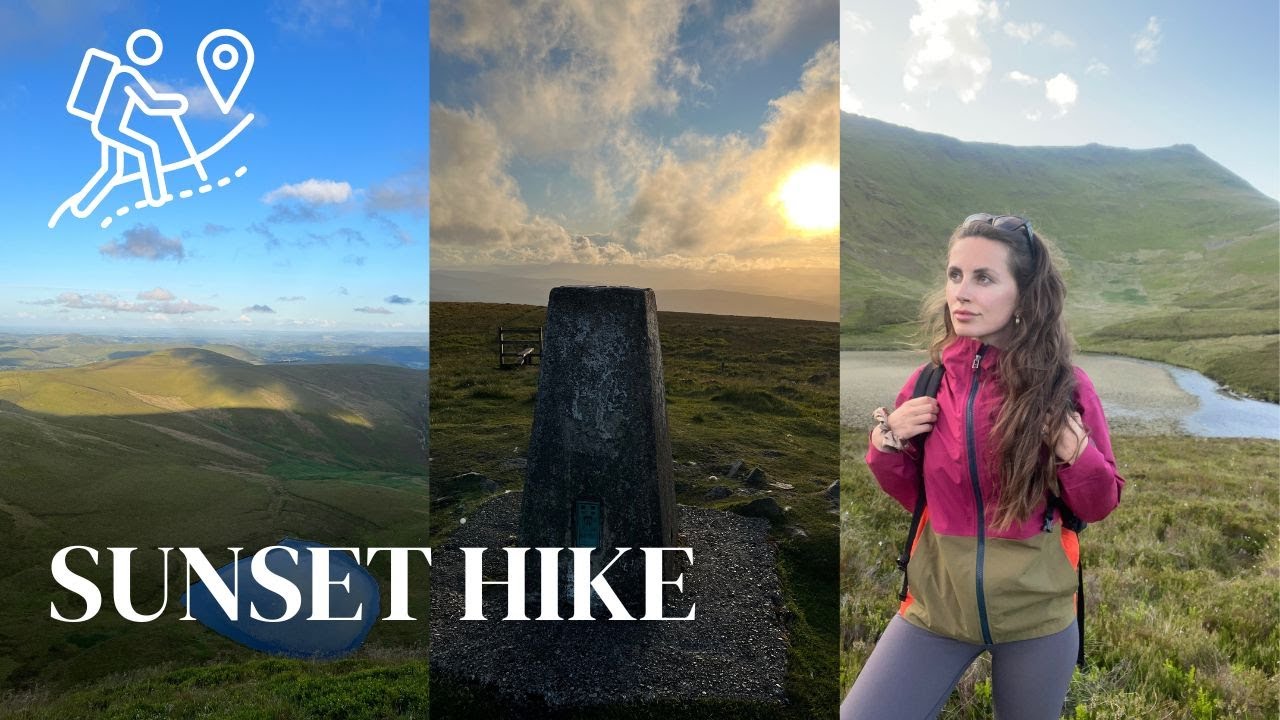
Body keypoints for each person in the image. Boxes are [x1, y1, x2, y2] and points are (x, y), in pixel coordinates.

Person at [840, 214, 1124, 719]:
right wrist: (887, 443)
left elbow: (1098, 504)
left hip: (1038, 617)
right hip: (935, 608)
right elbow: (918, 495)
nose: (960, 293)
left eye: (983, 278)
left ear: (1025, 296)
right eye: (955, 275)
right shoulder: (928, 382)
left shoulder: (1067, 388)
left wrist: (1076, 455)